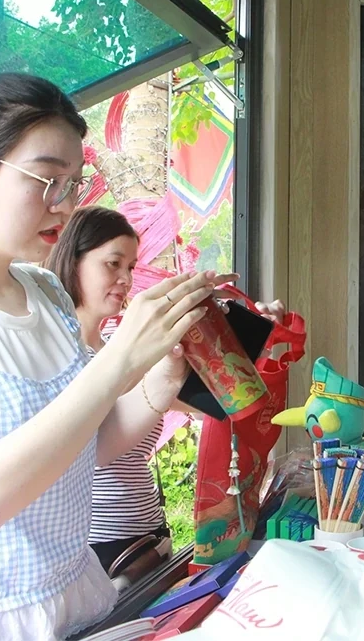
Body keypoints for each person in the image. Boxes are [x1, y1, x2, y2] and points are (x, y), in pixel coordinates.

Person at [0, 73, 222, 640]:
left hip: (73, 598)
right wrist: (120, 360)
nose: (65, 203)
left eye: (75, 183)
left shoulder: (48, 293)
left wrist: (161, 377)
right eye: (47, 179)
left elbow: (89, 444)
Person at [44, 207, 286, 575]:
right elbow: (91, 437)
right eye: (112, 264)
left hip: (150, 535)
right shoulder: (52, 353)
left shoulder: (122, 344)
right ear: (72, 260)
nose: (125, 279)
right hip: (94, 547)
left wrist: (249, 336)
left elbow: (210, 404)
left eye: (131, 267)